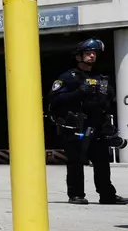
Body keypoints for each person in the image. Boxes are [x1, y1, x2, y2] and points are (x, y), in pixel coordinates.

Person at [46, 38, 128, 205]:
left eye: (94, 53)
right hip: (75, 126)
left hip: (98, 127)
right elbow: (53, 101)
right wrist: (78, 93)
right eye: (88, 53)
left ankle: (107, 195)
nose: (92, 56)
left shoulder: (101, 77)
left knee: (102, 162)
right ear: (78, 56)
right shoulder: (68, 78)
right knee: (76, 162)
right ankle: (76, 195)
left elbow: (107, 104)